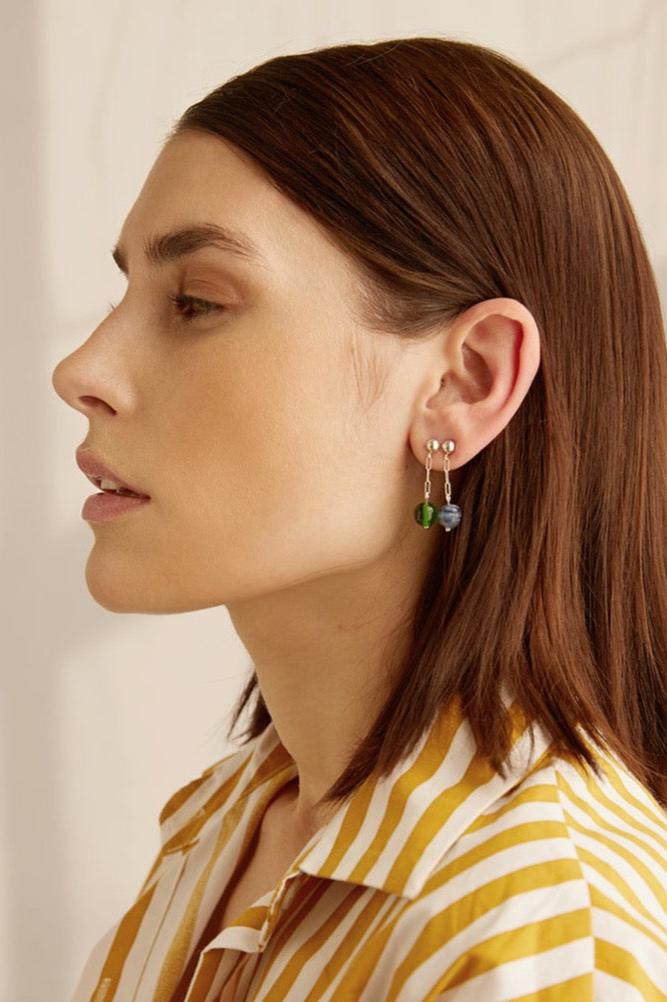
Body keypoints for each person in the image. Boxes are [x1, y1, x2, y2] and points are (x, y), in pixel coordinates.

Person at [51, 35, 667, 1002]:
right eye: (125, 290)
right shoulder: (221, 828)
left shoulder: (540, 935)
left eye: (197, 302)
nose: (81, 371)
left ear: (464, 384)